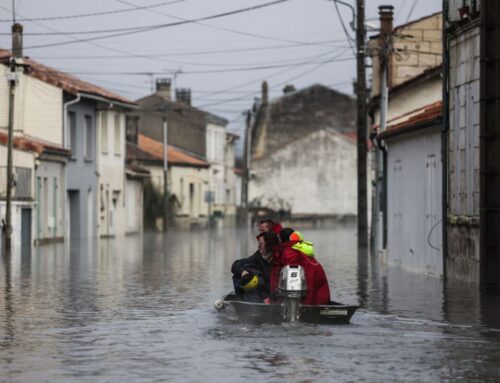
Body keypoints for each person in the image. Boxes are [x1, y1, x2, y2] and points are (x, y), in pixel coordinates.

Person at [270, 228, 330, 305]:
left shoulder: (287, 252)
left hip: (309, 296)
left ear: (281, 239)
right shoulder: (302, 249)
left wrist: (276, 300)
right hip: (321, 295)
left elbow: (292, 276)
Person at [231, 231, 280, 301]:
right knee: (238, 276)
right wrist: (242, 272)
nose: (258, 246)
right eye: (258, 244)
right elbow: (236, 264)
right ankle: (243, 302)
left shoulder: (281, 257)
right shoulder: (259, 256)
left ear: (269, 244)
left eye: (261, 244)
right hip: (263, 294)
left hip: (279, 295)